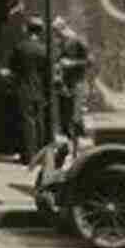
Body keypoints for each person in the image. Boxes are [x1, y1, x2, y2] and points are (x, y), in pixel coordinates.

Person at [10, 18, 50, 166]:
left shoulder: (21, 47)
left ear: (27, 29)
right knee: (39, 122)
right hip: (40, 91)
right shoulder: (45, 49)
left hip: (24, 89)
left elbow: (13, 68)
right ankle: (40, 155)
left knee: (27, 123)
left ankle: (28, 156)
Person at [52, 16, 92, 154]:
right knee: (66, 118)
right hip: (65, 85)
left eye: (57, 32)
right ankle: (71, 150)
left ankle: (79, 149)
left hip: (77, 84)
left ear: (64, 28)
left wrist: (71, 63)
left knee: (75, 118)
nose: (56, 36)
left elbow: (90, 62)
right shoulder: (62, 43)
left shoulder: (78, 41)